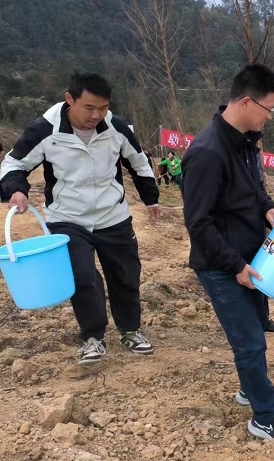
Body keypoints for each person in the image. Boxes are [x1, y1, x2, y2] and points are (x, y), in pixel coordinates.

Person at [0, 72, 160, 364]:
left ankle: (130, 330)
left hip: (113, 215)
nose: (97, 115)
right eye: (89, 108)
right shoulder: (45, 130)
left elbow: (138, 162)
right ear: (70, 100)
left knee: (125, 276)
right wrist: (16, 190)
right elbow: (14, 162)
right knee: (83, 276)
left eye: (103, 108)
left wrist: (151, 199)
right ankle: (92, 337)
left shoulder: (115, 127)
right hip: (67, 217)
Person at [182, 64, 274, 444]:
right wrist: (234, 266)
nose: (270, 116)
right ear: (247, 102)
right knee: (249, 340)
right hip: (222, 265)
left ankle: (252, 389)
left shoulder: (246, 143)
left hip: (251, 256)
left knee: (256, 331)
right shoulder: (207, 153)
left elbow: (253, 190)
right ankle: (264, 418)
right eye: (269, 109)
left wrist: (268, 208)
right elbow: (198, 224)